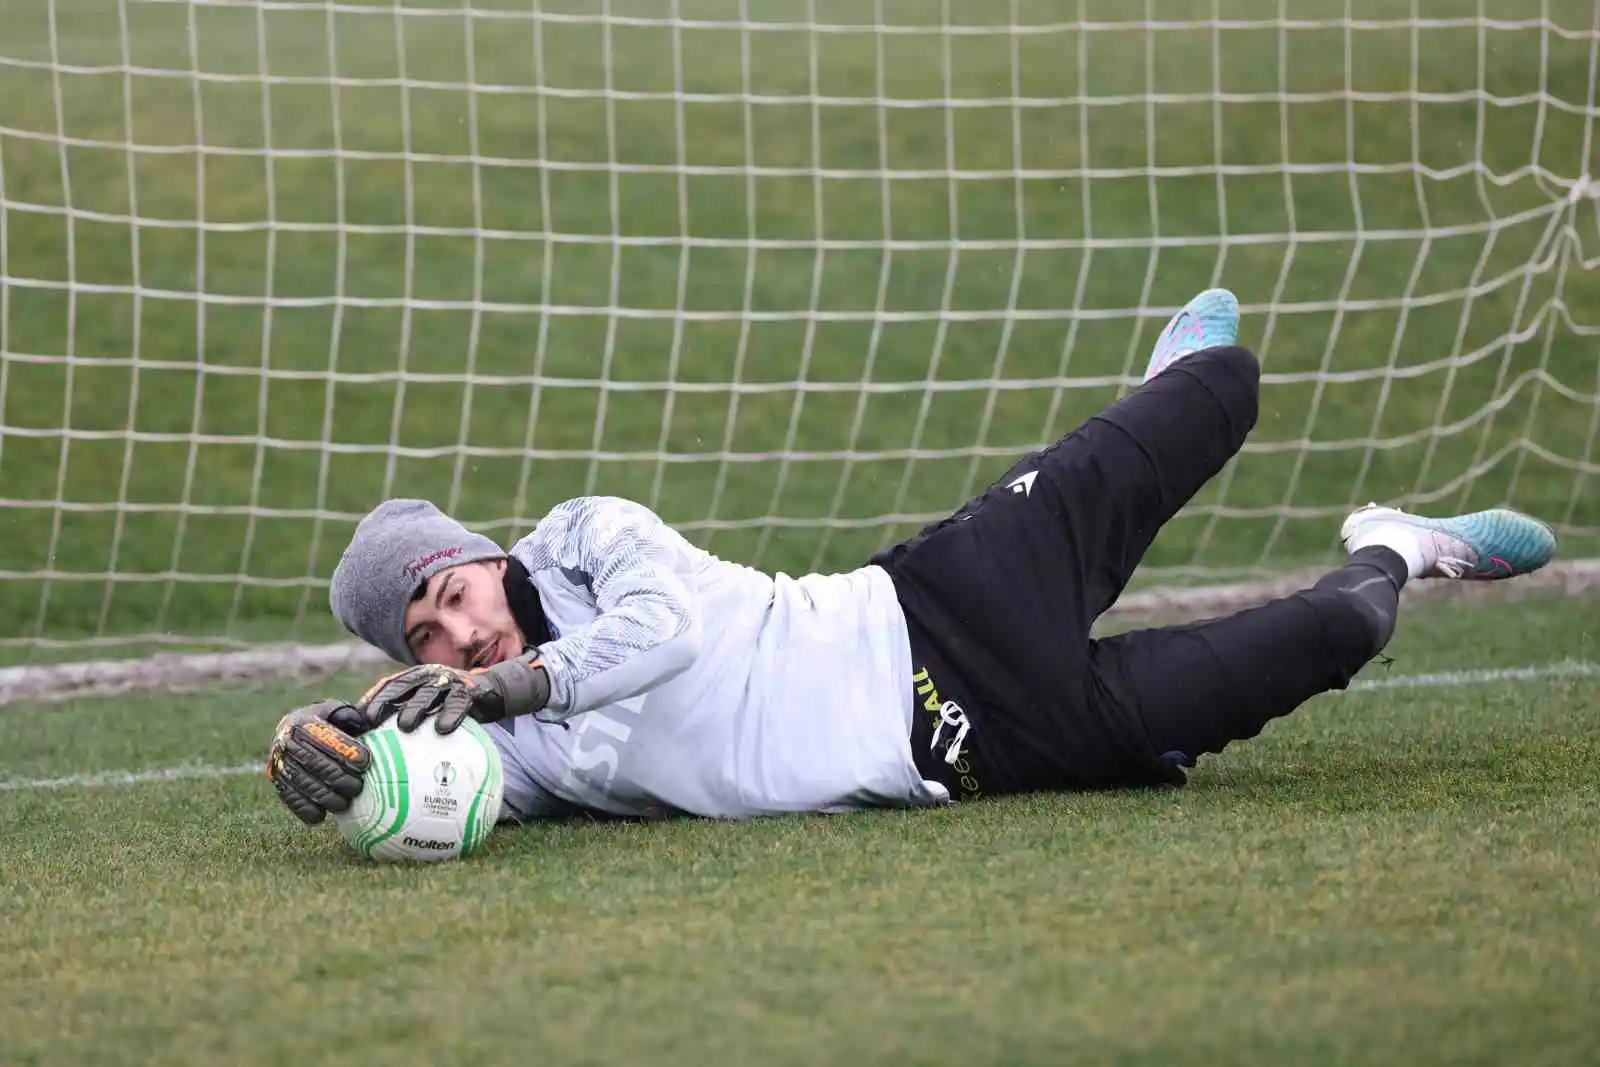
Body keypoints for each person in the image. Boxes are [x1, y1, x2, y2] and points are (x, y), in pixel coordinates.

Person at [265, 289, 1559, 826]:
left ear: (482, 557)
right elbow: (446, 790)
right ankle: (1403, 541)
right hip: (993, 750)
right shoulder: (510, 741)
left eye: (448, 596)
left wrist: (505, 689)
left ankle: (1157, 383)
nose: (457, 639)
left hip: (943, 597)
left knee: (1227, 380)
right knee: (1344, 636)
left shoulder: (587, 540)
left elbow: (659, 635)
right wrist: (328, 748)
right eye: (422, 642)